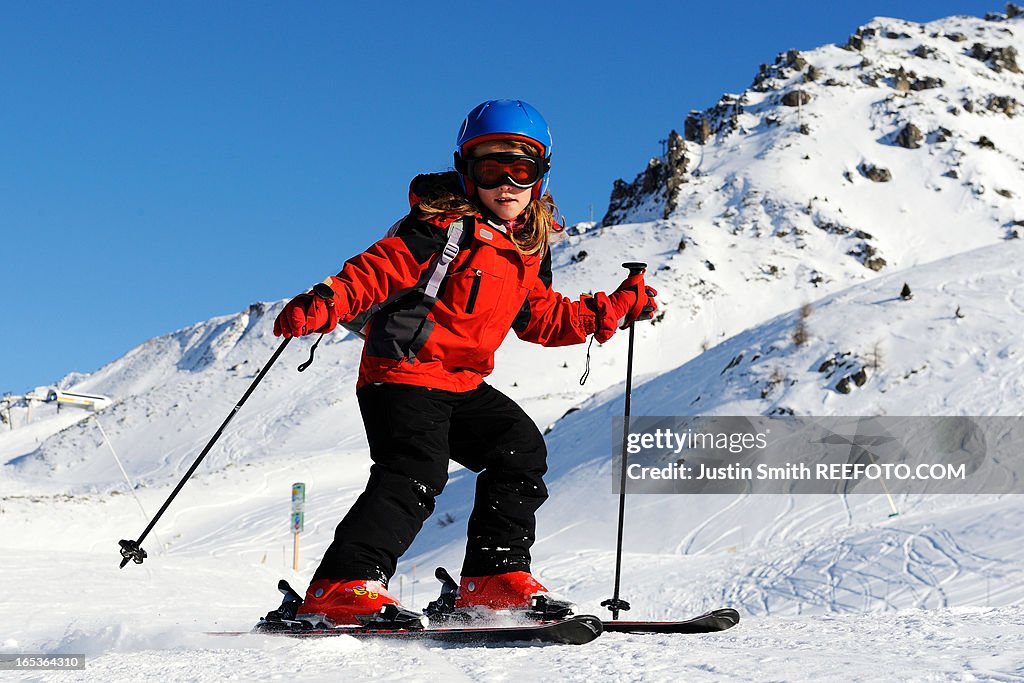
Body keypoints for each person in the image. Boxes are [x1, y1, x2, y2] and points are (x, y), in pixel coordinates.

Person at [272, 99, 657, 625]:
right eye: (489, 168)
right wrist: (329, 298)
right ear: (465, 171)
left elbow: (542, 319)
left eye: (520, 170)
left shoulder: (527, 249)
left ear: (540, 177)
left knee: (519, 450)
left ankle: (492, 578)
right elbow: (377, 270)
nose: (505, 183)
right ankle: (342, 584)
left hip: (460, 383)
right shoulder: (440, 228)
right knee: (413, 471)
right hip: (403, 373)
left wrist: (610, 310)